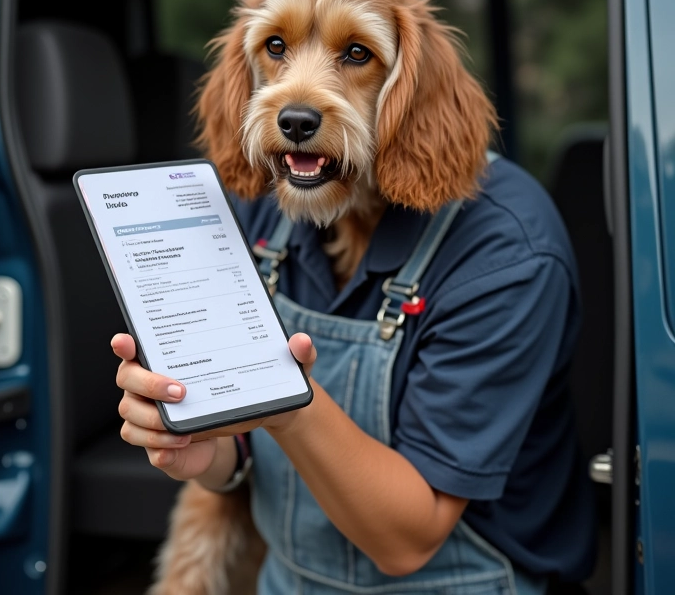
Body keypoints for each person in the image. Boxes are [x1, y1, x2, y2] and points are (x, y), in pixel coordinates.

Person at [111, 155, 597, 594]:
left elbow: (409, 541)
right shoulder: (266, 197)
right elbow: (238, 451)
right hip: (289, 581)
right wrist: (205, 450)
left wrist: (290, 406)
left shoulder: (505, 249)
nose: (295, 107)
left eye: (357, 55)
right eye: (277, 50)